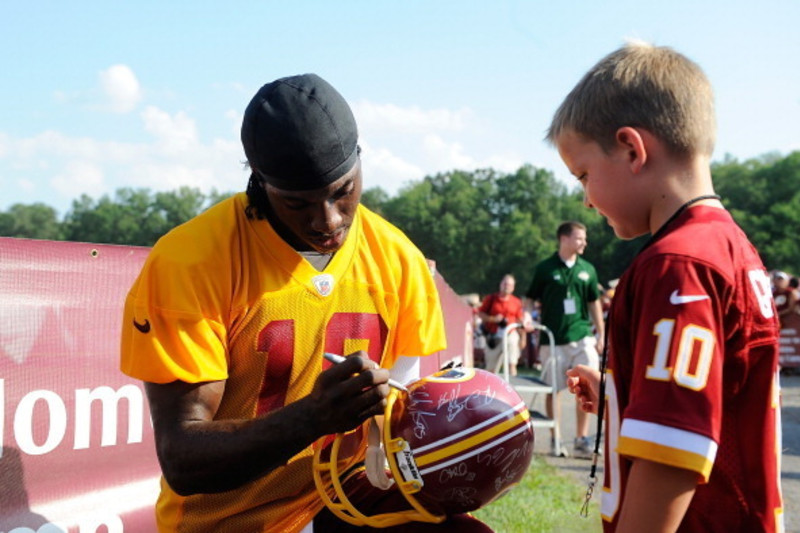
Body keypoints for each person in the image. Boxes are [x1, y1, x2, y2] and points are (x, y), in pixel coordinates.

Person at [120, 74, 491, 533]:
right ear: (260, 182)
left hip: (346, 501)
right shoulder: (191, 260)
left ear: (360, 162)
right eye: (299, 203)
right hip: (233, 522)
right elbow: (184, 459)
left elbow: (399, 426)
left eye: (342, 191)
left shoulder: (399, 260)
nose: (328, 220)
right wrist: (313, 418)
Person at [554, 43, 783, 532]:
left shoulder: (678, 264)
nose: (587, 200)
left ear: (632, 149)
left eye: (583, 175)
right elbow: (714, 403)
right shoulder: (728, 246)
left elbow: (672, 453)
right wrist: (622, 393)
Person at [525, 221, 605, 458]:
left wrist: (600, 332)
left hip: (582, 336)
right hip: (553, 338)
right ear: (564, 239)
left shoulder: (588, 269)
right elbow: (529, 298)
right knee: (554, 388)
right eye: (580, 238)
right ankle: (555, 439)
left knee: (588, 384)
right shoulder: (545, 268)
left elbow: (594, 303)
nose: (584, 243)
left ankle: (582, 438)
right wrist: (527, 316)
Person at [477, 274, 526, 376]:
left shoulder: (516, 302)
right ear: (500, 284)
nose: (507, 286)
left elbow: (520, 321)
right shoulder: (491, 299)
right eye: (505, 283)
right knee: (491, 368)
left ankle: (513, 384)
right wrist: (493, 319)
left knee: (512, 362)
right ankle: (490, 388)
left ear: (513, 287)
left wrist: (523, 338)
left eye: (509, 285)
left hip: (510, 333)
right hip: (493, 336)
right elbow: (480, 314)